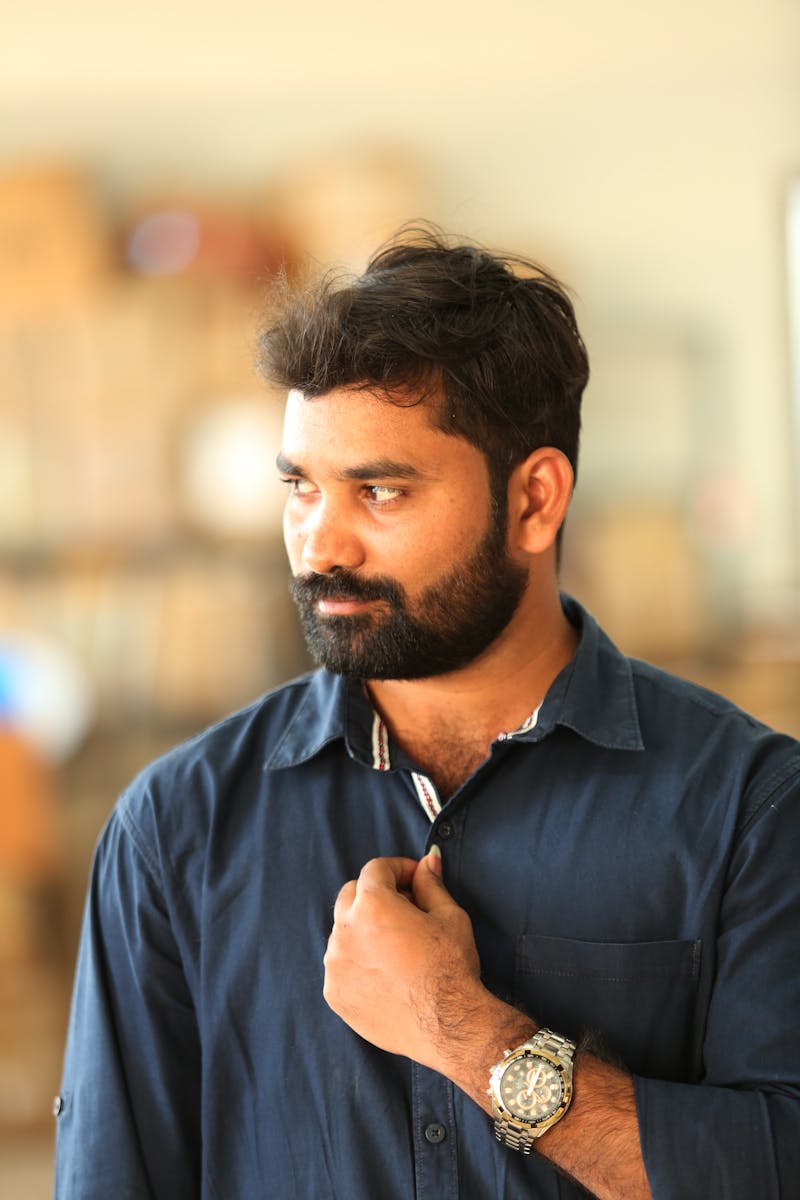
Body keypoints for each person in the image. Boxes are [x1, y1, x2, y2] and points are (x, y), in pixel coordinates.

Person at [54, 229, 800, 1200]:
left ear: (533, 500)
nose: (320, 543)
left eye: (379, 491)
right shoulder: (178, 828)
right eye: (299, 487)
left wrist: (462, 1028)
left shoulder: (747, 809)